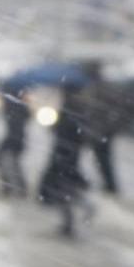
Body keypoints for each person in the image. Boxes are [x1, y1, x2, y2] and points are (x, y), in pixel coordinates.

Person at [38, 84, 92, 238]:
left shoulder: (71, 110)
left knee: (64, 191)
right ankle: (71, 221)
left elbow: (66, 131)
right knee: (66, 191)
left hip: (64, 156)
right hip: (67, 156)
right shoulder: (77, 109)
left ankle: (73, 220)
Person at [82, 62, 123, 196]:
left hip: (102, 131)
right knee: (102, 159)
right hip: (101, 130)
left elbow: (100, 111)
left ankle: (110, 185)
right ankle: (109, 184)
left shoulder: (97, 88)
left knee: (103, 159)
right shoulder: (96, 87)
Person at [0, 88, 30, 197]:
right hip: (17, 138)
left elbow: (15, 121)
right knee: (14, 163)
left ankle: (10, 187)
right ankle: (18, 188)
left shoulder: (13, 105)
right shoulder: (20, 105)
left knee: (0, 159)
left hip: (14, 138)